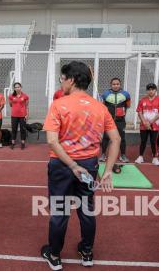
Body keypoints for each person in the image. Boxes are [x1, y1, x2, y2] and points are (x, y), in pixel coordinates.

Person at [41, 61, 121, 270]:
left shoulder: (59, 104)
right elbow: (116, 139)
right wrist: (108, 171)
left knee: (60, 210)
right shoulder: (100, 107)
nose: (61, 82)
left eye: (62, 78)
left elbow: (51, 140)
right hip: (90, 164)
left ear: (72, 80)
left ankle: (55, 254)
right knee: (86, 209)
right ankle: (86, 252)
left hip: (62, 164)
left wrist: (72, 165)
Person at [100, 77, 131, 163]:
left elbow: (128, 106)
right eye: (114, 84)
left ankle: (123, 155)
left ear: (120, 85)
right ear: (111, 85)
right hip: (108, 120)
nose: (116, 86)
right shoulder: (105, 94)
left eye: (117, 84)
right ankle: (103, 154)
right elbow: (102, 107)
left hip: (120, 120)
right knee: (106, 137)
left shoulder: (126, 94)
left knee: (122, 138)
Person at [135, 83, 159, 166]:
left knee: (153, 141)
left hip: (155, 125)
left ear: (155, 90)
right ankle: (140, 157)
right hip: (144, 125)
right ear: (147, 91)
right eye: (149, 90)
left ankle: (155, 158)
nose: (151, 91)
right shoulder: (142, 100)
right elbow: (139, 112)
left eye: (152, 89)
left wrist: (151, 122)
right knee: (143, 141)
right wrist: (144, 122)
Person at [8, 82, 29, 150]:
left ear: (21, 87)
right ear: (14, 88)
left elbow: (27, 106)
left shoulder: (25, 96)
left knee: (23, 129)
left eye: (18, 87)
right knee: (14, 129)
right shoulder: (11, 96)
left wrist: (27, 114)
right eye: (16, 87)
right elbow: (11, 105)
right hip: (14, 115)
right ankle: (13, 143)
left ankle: (23, 143)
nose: (17, 88)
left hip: (23, 115)